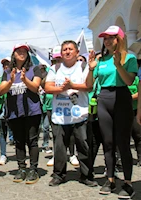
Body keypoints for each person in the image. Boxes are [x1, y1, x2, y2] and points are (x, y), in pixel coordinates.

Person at [87, 25, 137, 199]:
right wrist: (91, 67)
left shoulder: (129, 58)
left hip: (122, 97)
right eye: (105, 38)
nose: (107, 41)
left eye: (111, 37)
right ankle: (110, 179)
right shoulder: (101, 60)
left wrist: (118, 65)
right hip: (104, 99)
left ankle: (128, 183)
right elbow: (89, 84)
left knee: (122, 143)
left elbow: (129, 80)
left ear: (120, 39)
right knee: (108, 142)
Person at [45, 40, 96, 187]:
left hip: (80, 114)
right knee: (60, 148)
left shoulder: (84, 66)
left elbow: (88, 86)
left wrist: (72, 86)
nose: (67, 52)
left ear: (77, 52)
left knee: (83, 146)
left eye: (70, 49)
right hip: (60, 116)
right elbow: (48, 87)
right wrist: (64, 88)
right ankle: (58, 175)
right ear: (61, 54)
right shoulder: (55, 68)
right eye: (65, 49)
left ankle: (86, 175)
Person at [0, 44, 42, 184]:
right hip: (14, 112)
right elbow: (2, 89)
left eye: (24, 51)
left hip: (32, 111)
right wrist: (11, 80)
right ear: (14, 54)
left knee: (32, 140)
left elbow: (35, 88)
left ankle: (33, 169)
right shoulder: (8, 71)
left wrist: (24, 80)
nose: (22, 53)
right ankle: (21, 168)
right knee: (19, 141)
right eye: (19, 51)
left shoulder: (35, 69)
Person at [46, 46, 79, 167]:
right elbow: (48, 87)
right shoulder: (52, 69)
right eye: (55, 60)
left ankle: (72, 154)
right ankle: (57, 156)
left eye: (59, 59)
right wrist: (60, 88)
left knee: (72, 134)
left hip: (72, 107)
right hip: (53, 107)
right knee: (57, 135)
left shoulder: (73, 69)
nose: (57, 62)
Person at [0, 56, 14, 165]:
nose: (5, 66)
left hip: (13, 109)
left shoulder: (15, 77)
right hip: (1, 108)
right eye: (3, 65)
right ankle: (3, 154)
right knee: (3, 133)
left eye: (7, 64)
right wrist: (2, 89)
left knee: (16, 132)